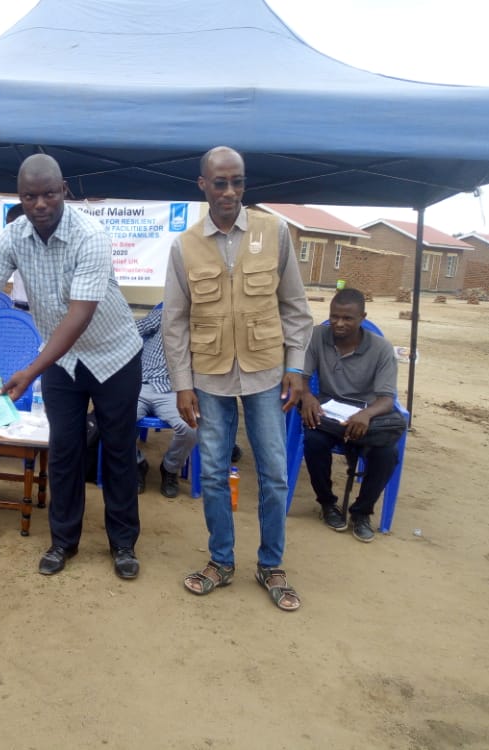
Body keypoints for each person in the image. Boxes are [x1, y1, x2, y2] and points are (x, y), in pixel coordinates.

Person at [0, 154, 143, 579]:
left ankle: (124, 544)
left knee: (118, 452)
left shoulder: (90, 236)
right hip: (62, 360)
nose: (40, 204)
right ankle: (63, 542)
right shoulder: (13, 236)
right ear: (20, 197)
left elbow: (79, 315)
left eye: (49, 194)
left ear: (64, 191)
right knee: (64, 451)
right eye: (30, 196)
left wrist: (32, 369)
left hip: (114, 355)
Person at [163, 146, 312, 612]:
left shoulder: (274, 232)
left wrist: (296, 367)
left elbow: (295, 306)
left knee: (273, 473)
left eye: (238, 182)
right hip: (208, 376)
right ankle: (221, 562)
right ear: (202, 185)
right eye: (220, 182)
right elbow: (174, 322)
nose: (230, 192)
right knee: (211, 472)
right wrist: (182, 383)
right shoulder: (185, 245)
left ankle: (271, 565)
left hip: (267, 372)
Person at [299, 288, 402, 543]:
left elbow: (387, 399)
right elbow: (299, 378)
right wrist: (307, 396)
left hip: (366, 416)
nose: (339, 323)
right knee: (313, 442)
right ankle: (327, 504)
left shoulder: (381, 349)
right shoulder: (316, 336)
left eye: (347, 318)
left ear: (362, 318)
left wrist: (365, 414)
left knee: (387, 454)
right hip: (329, 413)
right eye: (334, 317)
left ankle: (361, 512)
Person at [133, 305, 197, 498]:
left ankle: (169, 468)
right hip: (141, 384)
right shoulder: (163, 314)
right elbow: (134, 329)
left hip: (175, 391)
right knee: (111, 421)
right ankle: (137, 463)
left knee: (190, 428)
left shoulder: (206, 326)